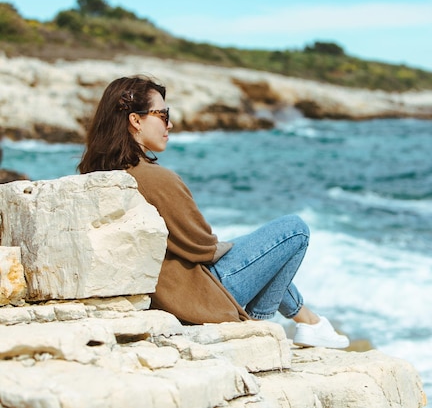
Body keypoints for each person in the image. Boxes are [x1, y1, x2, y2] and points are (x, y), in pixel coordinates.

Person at [78, 75, 349, 349]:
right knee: (294, 231)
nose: (170, 124)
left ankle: (310, 322)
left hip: (165, 293)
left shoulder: (99, 176)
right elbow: (202, 248)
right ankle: (261, 329)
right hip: (196, 297)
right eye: (163, 114)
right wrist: (228, 246)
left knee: (265, 253)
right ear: (135, 120)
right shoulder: (156, 180)